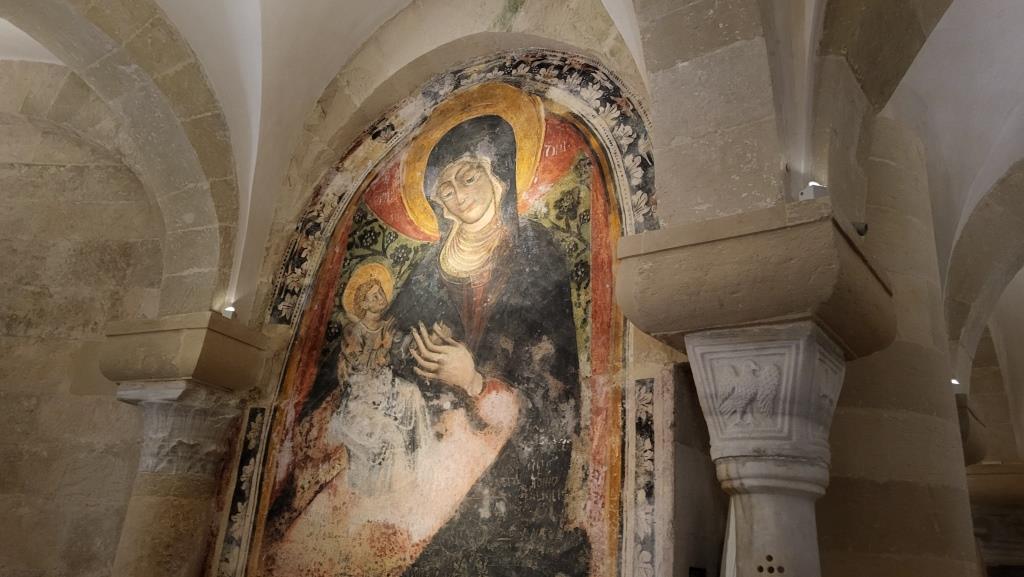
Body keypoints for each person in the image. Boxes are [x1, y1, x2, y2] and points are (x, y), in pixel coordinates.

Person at [387, 114, 591, 576]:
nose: (458, 195)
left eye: (468, 177)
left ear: (498, 177)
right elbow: (396, 345)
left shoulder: (535, 250)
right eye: (445, 190)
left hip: (512, 445)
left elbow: (555, 375)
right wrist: (422, 355)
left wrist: (474, 379)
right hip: (436, 438)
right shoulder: (428, 269)